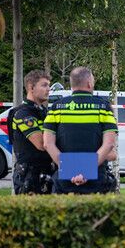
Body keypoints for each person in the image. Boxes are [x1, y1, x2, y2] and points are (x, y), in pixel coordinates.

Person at [43, 66, 118, 194]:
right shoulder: (103, 107)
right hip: (96, 179)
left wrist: (69, 170)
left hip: (64, 179)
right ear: (89, 83)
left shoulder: (57, 107)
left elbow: (47, 143)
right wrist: (86, 171)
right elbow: (109, 144)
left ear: (72, 85)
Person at [9, 70, 54, 194]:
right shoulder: (23, 113)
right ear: (31, 87)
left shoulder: (43, 111)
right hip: (29, 176)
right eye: (44, 85)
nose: (48, 89)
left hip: (46, 172)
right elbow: (41, 144)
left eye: (49, 85)